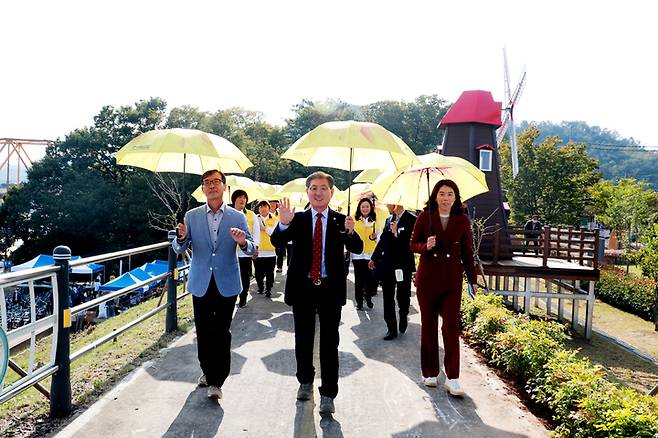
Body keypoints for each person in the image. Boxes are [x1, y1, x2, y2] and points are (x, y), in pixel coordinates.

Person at [270, 171, 363, 415]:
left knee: (330, 343)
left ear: (331, 193)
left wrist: (350, 232)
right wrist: (283, 223)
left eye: (323, 188)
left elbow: (358, 247)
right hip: (303, 289)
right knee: (303, 339)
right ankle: (305, 381)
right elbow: (277, 241)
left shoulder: (341, 220)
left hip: (330, 289)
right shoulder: (298, 219)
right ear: (307, 192)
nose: (318, 192)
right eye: (313, 188)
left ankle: (329, 393)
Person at [172, 169, 256, 400]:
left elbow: (251, 248)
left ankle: (217, 380)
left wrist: (243, 241)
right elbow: (179, 248)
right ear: (202, 188)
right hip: (201, 281)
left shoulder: (237, 217)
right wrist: (180, 237)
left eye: (216, 182)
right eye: (207, 182)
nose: (212, 186)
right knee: (203, 331)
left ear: (224, 187)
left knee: (221, 331)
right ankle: (207, 371)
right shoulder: (192, 216)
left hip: (227, 281)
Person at [409, 179, 478, 397]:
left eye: (450, 194)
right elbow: (412, 244)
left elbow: (467, 251)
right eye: (441, 193)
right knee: (428, 326)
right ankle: (430, 373)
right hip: (428, 279)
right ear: (435, 196)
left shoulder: (462, 220)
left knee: (451, 328)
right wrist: (424, 246)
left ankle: (453, 377)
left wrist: (473, 278)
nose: (445, 198)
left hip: (452, 281)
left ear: (456, 198)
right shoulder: (424, 216)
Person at [369, 204, 417, 340]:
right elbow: (383, 241)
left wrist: (397, 233)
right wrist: (374, 257)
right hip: (388, 264)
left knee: (403, 296)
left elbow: (412, 244)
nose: (386, 206)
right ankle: (391, 328)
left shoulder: (412, 220)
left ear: (396, 203)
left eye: (388, 203)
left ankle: (403, 315)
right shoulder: (388, 219)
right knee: (387, 296)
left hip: (403, 265)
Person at [232, 189, 261, 308]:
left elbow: (256, 232)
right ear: (234, 200)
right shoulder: (228, 213)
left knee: (244, 276)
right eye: (239, 197)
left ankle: (243, 297)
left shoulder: (251, 215)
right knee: (232, 276)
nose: (242, 199)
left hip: (245, 253)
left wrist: (255, 248)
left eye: (244, 197)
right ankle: (232, 297)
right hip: (231, 253)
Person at [352, 197, 380, 310]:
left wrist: (375, 237)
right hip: (357, 255)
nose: (365, 208)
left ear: (370, 208)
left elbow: (380, 238)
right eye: (363, 206)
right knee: (358, 280)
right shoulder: (354, 221)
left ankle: (368, 298)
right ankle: (359, 302)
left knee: (369, 279)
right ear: (359, 208)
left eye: (367, 206)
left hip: (370, 255)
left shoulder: (375, 221)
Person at [254, 200, 278, 297]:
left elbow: (274, 234)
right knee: (258, 273)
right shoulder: (255, 219)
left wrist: (265, 229)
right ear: (258, 209)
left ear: (269, 208)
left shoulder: (275, 219)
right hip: (258, 251)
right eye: (261, 207)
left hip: (270, 251)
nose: (263, 209)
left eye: (265, 206)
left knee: (270, 273)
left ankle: (268, 289)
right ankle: (260, 287)